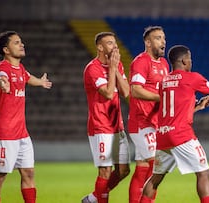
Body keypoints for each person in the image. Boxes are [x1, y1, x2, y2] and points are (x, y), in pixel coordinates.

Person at [140, 45, 209, 203]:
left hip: (163, 136)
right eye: (189, 58)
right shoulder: (191, 78)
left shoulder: (164, 82)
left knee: (155, 179)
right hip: (181, 135)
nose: (191, 61)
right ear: (183, 61)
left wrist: (198, 106)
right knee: (203, 172)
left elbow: (174, 110)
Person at [0, 31, 52, 203]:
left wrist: (41, 82)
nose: (21, 44)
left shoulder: (20, 69)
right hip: (4, 132)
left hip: (21, 132)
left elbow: (27, 77)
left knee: (29, 172)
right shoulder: (1, 68)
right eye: (16, 42)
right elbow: (2, 78)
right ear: (6, 50)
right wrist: (3, 83)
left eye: (21, 42)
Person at [82, 32, 130, 203]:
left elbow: (125, 92)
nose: (115, 46)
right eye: (110, 43)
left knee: (124, 170)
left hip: (118, 125)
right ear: (100, 47)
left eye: (115, 43)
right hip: (101, 126)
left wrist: (115, 69)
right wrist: (112, 69)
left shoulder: (117, 65)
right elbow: (109, 94)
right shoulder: (92, 68)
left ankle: (93, 197)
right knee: (105, 172)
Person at [128, 26, 169, 203]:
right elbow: (135, 90)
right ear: (148, 42)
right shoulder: (141, 62)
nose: (163, 42)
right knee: (157, 167)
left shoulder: (164, 64)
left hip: (155, 122)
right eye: (158, 38)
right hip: (141, 122)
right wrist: (160, 98)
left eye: (164, 38)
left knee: (142, 167)